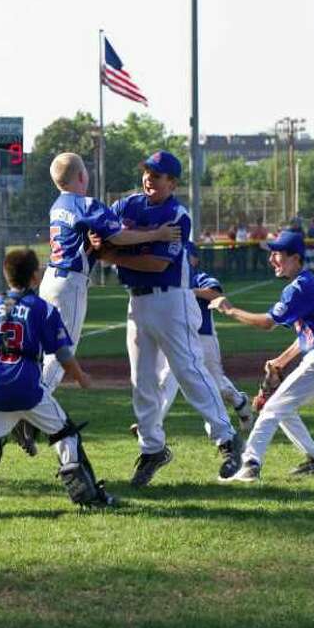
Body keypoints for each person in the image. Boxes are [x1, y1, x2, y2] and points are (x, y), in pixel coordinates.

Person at [91, 150, 243, 487]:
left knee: (188, 371)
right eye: (147, 171)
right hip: (137, 302)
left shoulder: (177, 214)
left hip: (172, 300)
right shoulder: (127, 205)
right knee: (142, 379)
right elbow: (100, 237)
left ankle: (227, 439)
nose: (149, 178)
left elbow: (156, 264)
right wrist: (110, 246)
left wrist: (115, 253)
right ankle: (152, 449)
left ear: (172, 183)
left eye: (157, 175)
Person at [0, 249, 113, 519]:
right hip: (27, 385)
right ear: (35, 277)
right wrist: (80, 376)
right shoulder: (43, 308)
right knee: (65, 434)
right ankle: (91, 497)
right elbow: (62, 353)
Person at [23, 152, 179, 456]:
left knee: (45, 352)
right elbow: (120, 237)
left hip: (50, 280)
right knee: (60, 354)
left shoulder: (58, 205)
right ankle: (29, 410)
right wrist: (157, 233)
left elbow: (93, 238)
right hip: (70, 283)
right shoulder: (85, 203)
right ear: (82, 177)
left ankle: (28, 413)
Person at [210, 228, 314, 482]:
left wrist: (229, 310)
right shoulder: (310, 281)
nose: (272, 259)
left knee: (271, 409)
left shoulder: (298, 288)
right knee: (283, 407)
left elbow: (267, 323)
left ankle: (250, 465)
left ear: (296, 257)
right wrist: (280, 361)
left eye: (278, 254)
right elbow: (307, 335)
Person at [152, 246, 255, 435]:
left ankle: (239, 401)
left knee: (215, 385)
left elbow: (216, 294)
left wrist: (189, 291)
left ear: (195, 260)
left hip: (204, 337)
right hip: (179, 338)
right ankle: (153, 422)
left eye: (185, 255)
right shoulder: (170, 278)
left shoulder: (199, 277)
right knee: (169, 375)